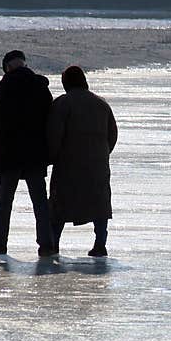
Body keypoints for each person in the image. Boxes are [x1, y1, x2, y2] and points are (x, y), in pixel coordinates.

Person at [0, 50, 57, 256]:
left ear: (8, 66)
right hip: (35, 152)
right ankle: (47, 244)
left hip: (10, 153)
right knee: (40, 200)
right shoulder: (40, 85)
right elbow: (50, 119)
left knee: (4, 198)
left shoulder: (6, 85)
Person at [46, 65, 118, 257]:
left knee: (59, 206)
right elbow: (113, 135)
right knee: (99, 206)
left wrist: (51, 157)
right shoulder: (101, 104)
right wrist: (101, 154)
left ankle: (53, 244)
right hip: (97, 165)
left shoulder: (62, 104)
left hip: (68, 165)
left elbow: (54, 136)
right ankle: (100, 244)